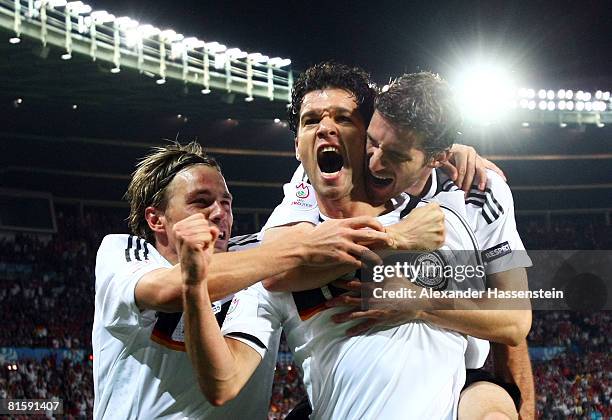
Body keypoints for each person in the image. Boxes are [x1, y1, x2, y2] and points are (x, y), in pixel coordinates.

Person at [179, 62, 492, 419]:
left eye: (344, 119)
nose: (326, 127)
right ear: (297, 146)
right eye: (311, 121)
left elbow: (505, 329)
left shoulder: (440, 216)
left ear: (369, 138)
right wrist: (193, 287)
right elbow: (222, 383)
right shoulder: (278, 252)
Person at [269, 72, 533, 419]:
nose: (375, 162)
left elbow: (514, 320)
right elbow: (277, 267)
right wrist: (393, 241)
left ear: (437, 157)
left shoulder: (479, 194)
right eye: (372, 142)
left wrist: (420, 303)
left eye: (395, 155)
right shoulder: (323, 174)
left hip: (459, 371)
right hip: (342, 382)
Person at [92, 141, 397, 419]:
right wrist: (300, 248)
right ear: (156, 219)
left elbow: (337, 249)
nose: (219, 213)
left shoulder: (257, 257)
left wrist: (402, 239)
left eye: (226, 202)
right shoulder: (124, 253)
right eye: (201, 201)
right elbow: (170, 289)